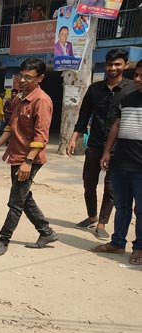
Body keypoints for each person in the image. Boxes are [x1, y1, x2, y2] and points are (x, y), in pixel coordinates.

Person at [0, 58, 58, 257]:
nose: (23, 80)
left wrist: (28, 162)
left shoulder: (42, 101)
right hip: (16, 155)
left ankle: (3, 239)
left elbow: (41, 136)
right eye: (21, 76)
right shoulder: (18, 99)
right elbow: (10, 128)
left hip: (29, 158)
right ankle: (46, 232)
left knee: (16, 201)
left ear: (40, 78)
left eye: (28, 77)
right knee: (23, 197)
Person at [66, 48, 135, 239]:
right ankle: (92, 216)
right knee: (89, 182)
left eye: (117, 64)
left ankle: (102, 224)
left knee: (111, 186)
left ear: (125, 65)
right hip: (95, 144)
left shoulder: (131, 89)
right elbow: (84, 116)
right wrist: (74, 138)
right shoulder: (94, 89)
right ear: (105, 66)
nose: (113, 68)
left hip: (119, 148)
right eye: (110, 64)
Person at [92, 61, 142, 265]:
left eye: (141, 76)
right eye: (137, 75)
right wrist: (106, 152)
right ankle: (117, 243)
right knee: (121, 206)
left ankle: (139, 248)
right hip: (121, 162)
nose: (137, 79)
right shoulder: (128, 98)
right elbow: (117, 125)